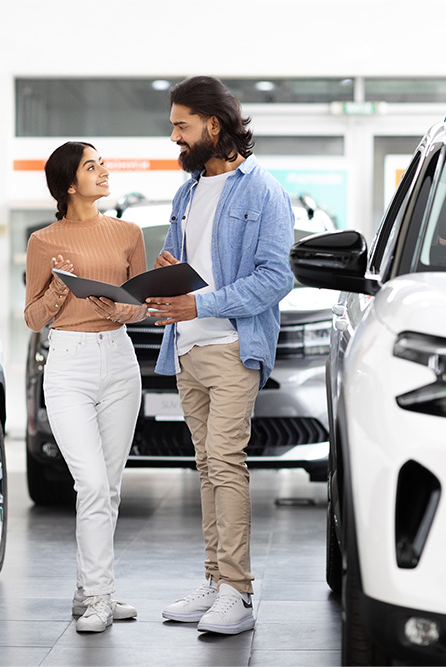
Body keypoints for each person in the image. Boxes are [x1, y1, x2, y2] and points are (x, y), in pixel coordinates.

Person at [144, 76, 295, 635]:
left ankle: (238, 591)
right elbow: (194, 267)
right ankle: (214, 582)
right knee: (207, 467)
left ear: (214, 125)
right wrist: (169, 268)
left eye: (182, 126)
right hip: (185, 348)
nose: (175, 138)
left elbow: (276, 277)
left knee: (227, 464)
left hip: (233, 347)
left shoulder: (263, 191)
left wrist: (199, 300)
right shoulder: (187, 193)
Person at [24, 141, 149, 633]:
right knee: (91, 483)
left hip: (120, 359)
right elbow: (33, 318)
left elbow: (141, 303)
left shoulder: (129, 233)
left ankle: (87, 590)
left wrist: (122, 310)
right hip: (69, 362)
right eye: (92, 166)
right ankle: (101, 596)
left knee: (109, 488)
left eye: (103, 164)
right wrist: (59, 288)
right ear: (69, 183)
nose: (104, 171)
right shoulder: (42, 241)